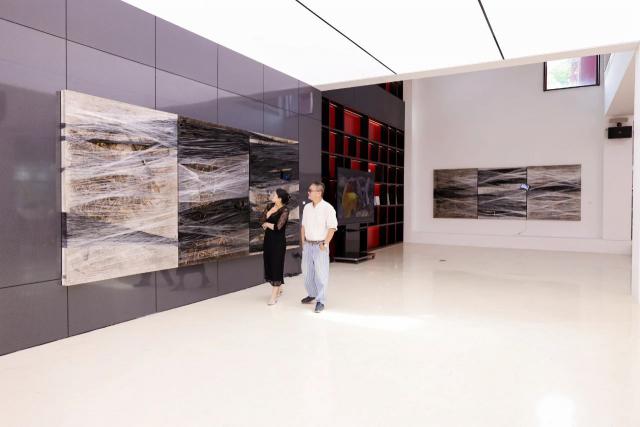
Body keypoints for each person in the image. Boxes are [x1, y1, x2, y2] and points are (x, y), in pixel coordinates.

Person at [300, 181, 338, 313]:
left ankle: (320, 300)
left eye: (310, 190)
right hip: (308, 245)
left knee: (321, 274)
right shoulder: (307, 208)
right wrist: (303, 242)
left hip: (320, 245)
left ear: (319, 193)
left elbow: (332, 228)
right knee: (306, 272)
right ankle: (312, 293)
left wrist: (325, 243)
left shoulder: (328, 208)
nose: (308, 192)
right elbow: (303, 226)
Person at [260, 188, 290, 305]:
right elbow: (261, 220)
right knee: (269, 263)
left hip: (278, 242)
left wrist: (267, 223)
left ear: (280, 198)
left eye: (275, 195)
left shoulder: (285, 210)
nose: (272, 196)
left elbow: (278, 227)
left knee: (276, 265)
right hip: (268, 240)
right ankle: (279, 286)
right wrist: (268, 214)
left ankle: (274, 295)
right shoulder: (269, 206)